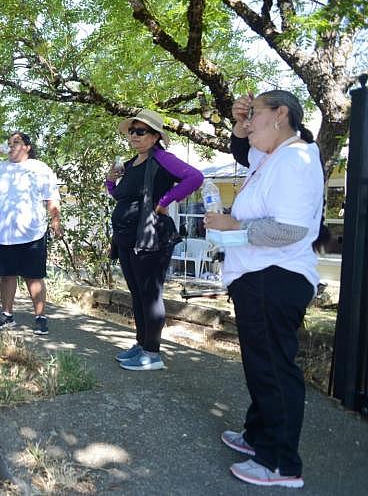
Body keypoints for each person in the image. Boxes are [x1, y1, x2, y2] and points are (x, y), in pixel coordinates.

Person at [204, 90, 328, 489]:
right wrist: (241, 125)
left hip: (274, 277)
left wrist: (234, 227)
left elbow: (290, 229)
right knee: (261, 365)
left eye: (255, 113)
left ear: (280, 115)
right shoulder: (273, 156)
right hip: (258, 276)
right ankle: (258, 435)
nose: (248, 120)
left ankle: (281, 463)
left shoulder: (297, 158)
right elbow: (245, 151)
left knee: (273, 369)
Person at [105, 109, 203, 370]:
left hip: (151, 237)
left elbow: (195, 177)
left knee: (150, 294)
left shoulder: (162, 159)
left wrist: (166, 202)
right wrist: (110, 182)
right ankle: (141, 343)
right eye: (131, 131)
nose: (134, 136)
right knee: (137, 293)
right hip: (127, 238)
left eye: (140, 131)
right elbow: (122, 197)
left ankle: (153, 352)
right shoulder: (130, 164)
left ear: (155, 136)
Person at [0, 131, 62, 335]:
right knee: (6, 275)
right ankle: (7, 315)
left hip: (32, 231)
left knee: (34, 276)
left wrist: (56, 220)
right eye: (9, 143)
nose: (11, 146)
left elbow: (52, 196)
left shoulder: (39, 168)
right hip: (2, 232)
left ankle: (40, 317)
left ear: (27, 147)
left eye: (17, 142)